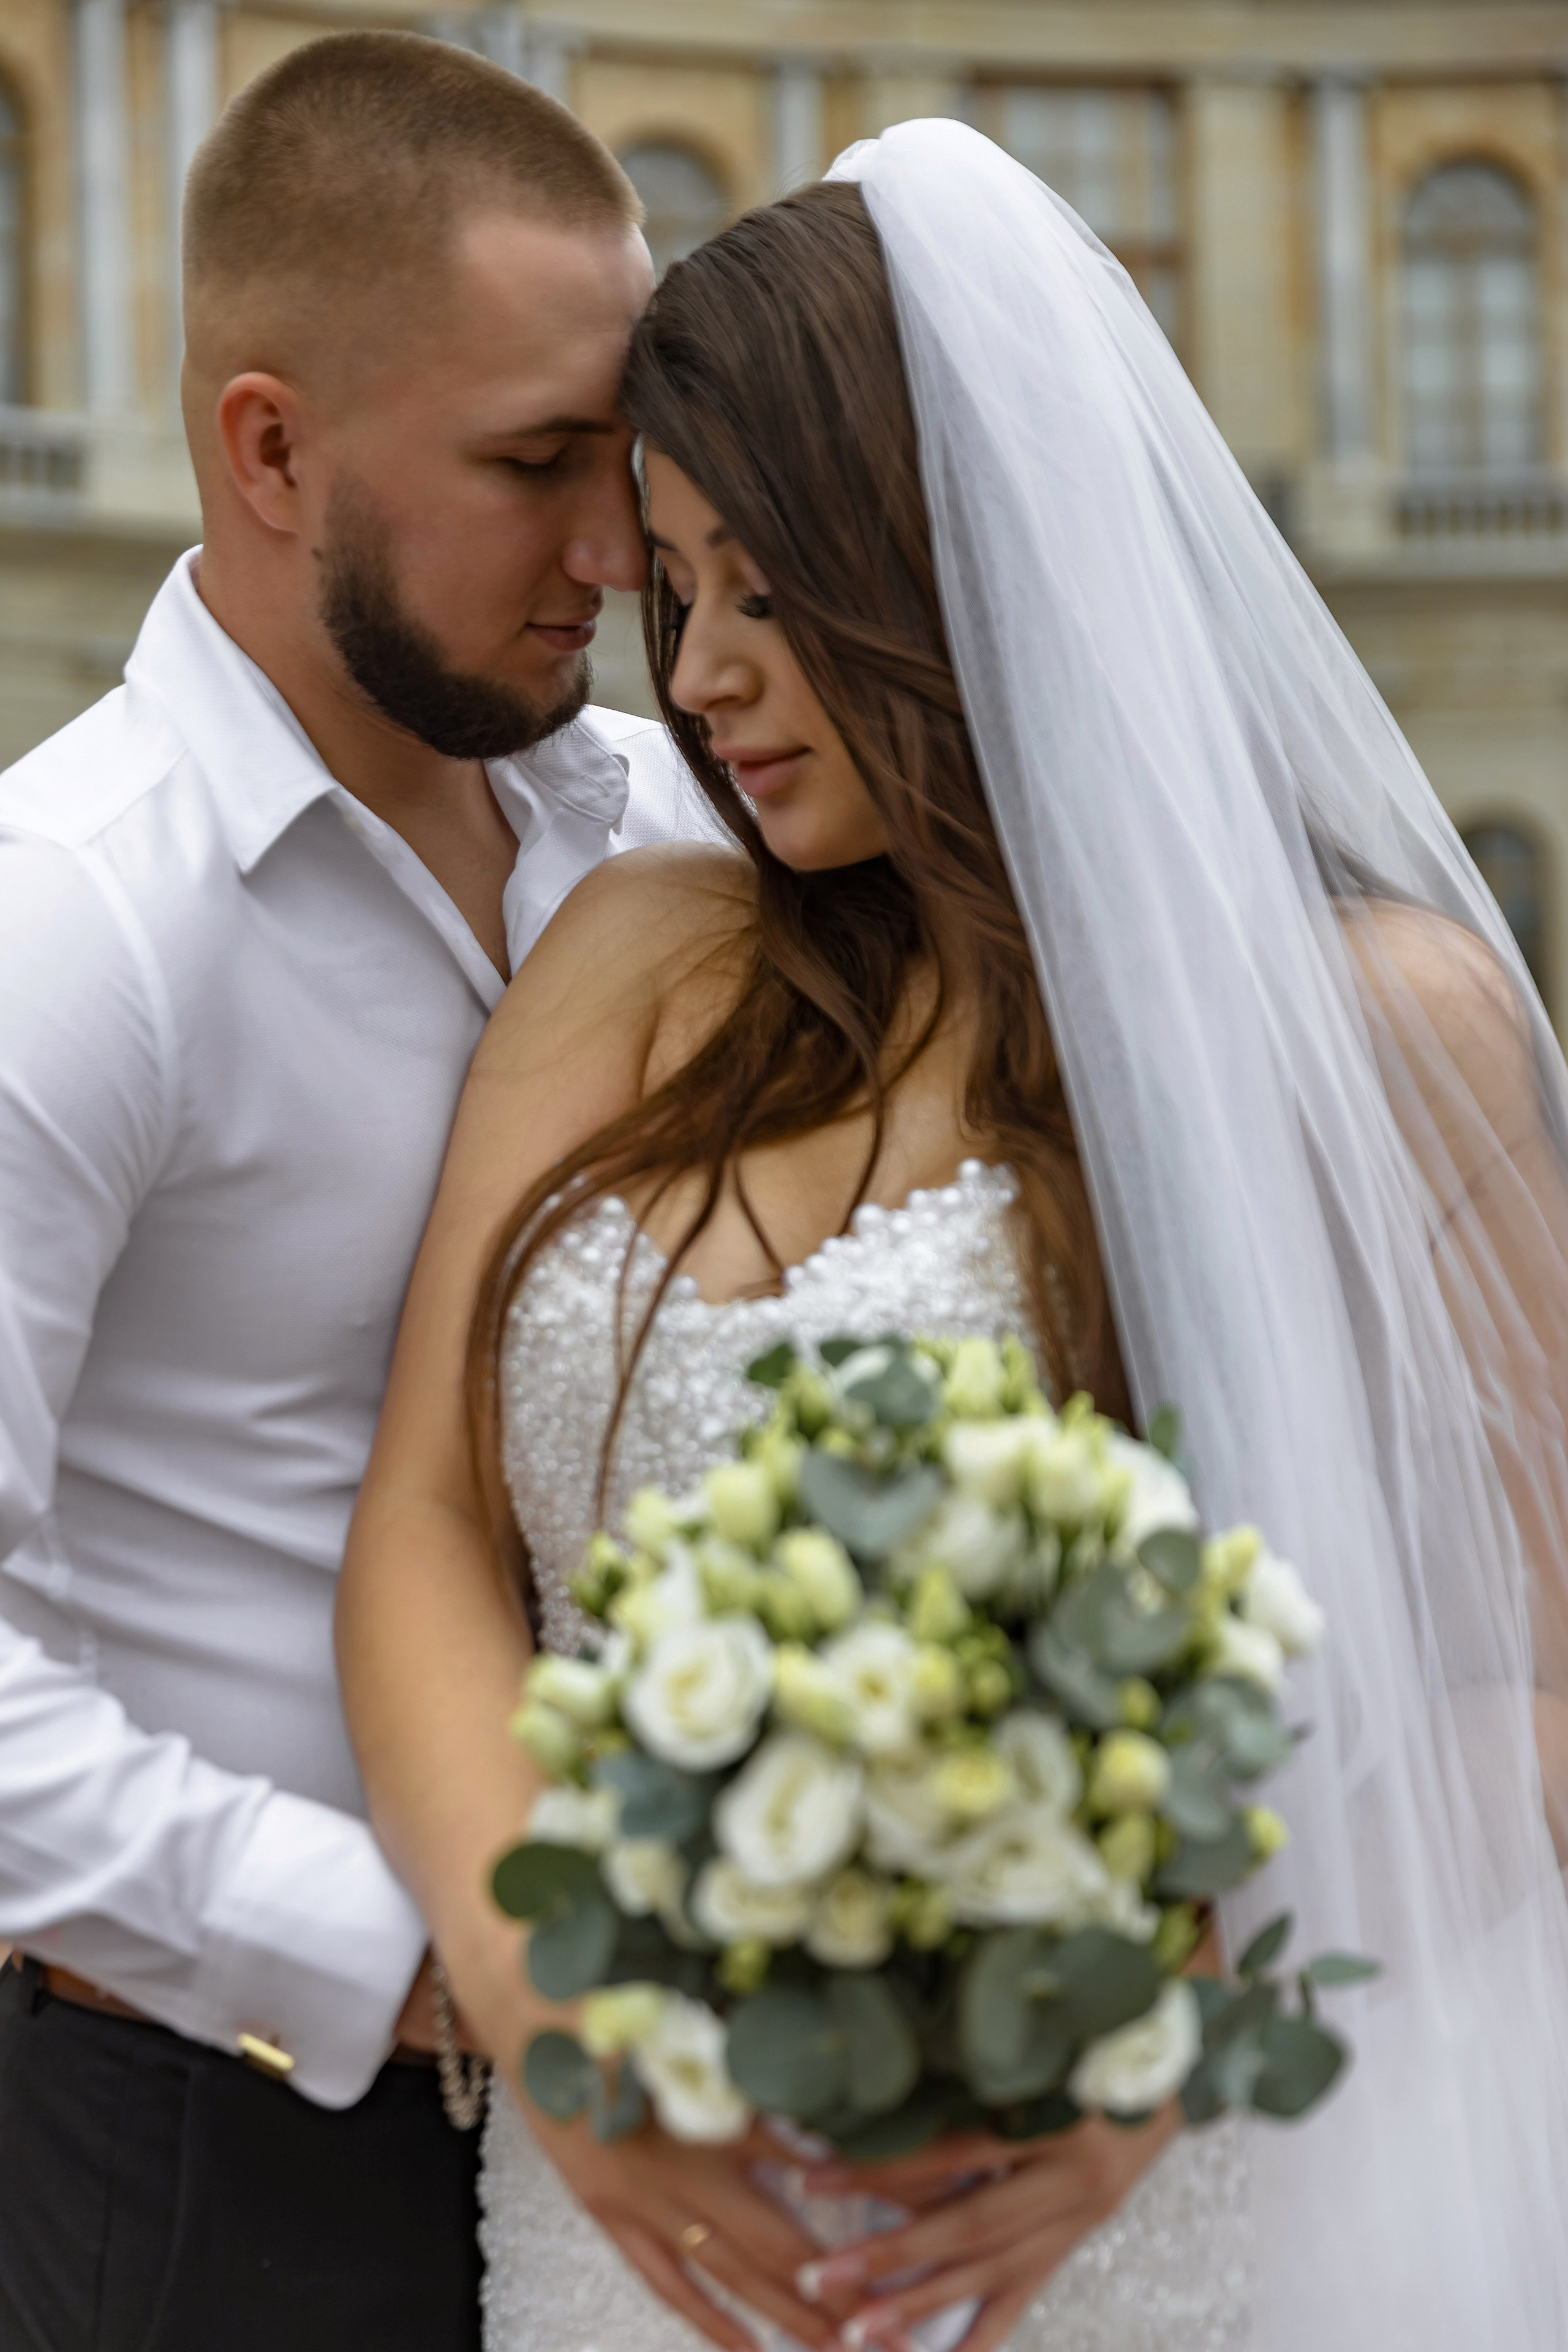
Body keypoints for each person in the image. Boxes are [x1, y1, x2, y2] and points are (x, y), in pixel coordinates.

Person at [339, 123, 1568, 2352]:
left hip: (1124, 2212)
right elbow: (425, 1513)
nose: (699, 673)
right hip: (627, 2206)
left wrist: (1155, 2022)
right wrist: (550, 2007)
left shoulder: (1382, 1022)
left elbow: (1533, 1685)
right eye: (679, 591)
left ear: (961, 559)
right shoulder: (634, 954)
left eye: (773, 593)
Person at [0, 31, 717, 2350]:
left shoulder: (681, 835)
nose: (616, 549)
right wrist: (414, 1962)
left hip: (649, 2149)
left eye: (624, 459)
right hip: (203, 2161)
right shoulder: (66, 924)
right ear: (273, 447)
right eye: (533, 466)